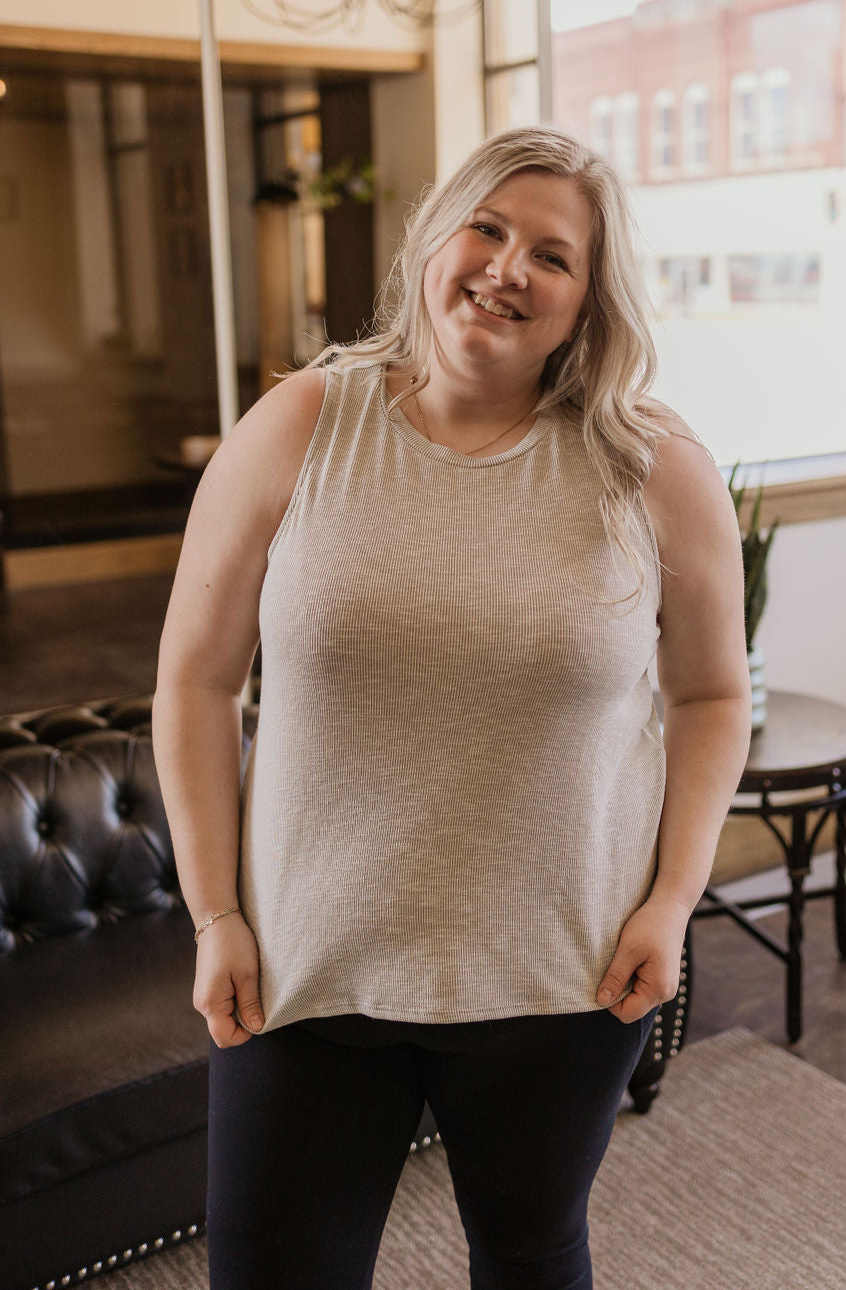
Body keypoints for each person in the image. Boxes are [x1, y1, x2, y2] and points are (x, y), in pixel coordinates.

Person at [152, 124, 751, 1290]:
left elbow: (713, 692)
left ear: (587, 302)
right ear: (434, 240)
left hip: (562, 976)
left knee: (531, 1260)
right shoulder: (300, 425)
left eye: (552, 254)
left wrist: (671, 903)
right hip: (305, 967)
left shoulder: (656, 465)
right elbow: (195, 680)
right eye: (485, 227)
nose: (506, 267)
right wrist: (215, 913)